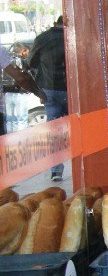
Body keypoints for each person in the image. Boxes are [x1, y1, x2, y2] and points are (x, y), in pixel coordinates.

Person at [27, 16, 67, 180]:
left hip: (49, 90)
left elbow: (31, 62)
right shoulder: (72, 36)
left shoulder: (42, 38)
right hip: (71, 90)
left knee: (54, 131)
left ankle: (56, 171)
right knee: (79, 127)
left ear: (55, 23)